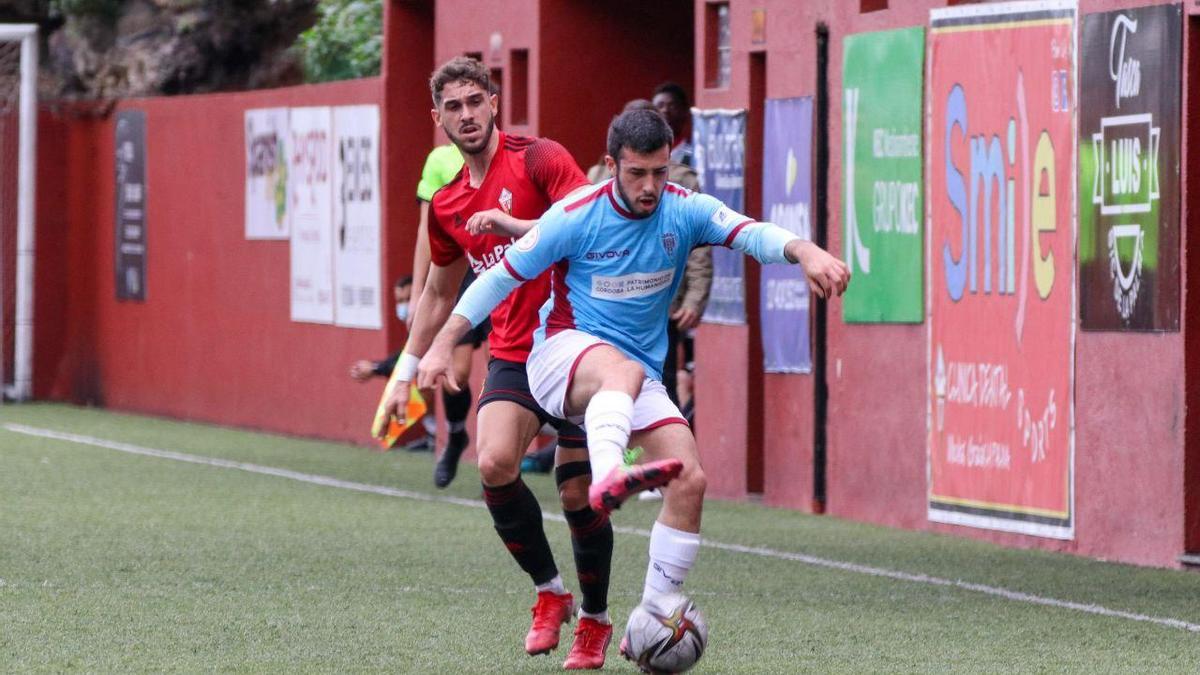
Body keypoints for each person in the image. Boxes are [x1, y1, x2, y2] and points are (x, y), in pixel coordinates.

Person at [415, 109, 849, 659]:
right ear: (610, 164)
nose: (649, 187)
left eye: (660, 173)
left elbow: (750, 232)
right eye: (637, 173)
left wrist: (805, 250)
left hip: (632, 374)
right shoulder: (577, 213)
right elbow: (497, 279)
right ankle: (608, 476)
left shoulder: (683, 211)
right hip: (560, 357)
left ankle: (652, 615)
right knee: (608, 379)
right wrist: (442, 342)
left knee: (689, 478)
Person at [379, 56, 616, 670]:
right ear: (439, 120)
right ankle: (550, 593)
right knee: (492, 463)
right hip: (513, 350)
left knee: (575, 496)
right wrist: (403, 375)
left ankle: (593, 620)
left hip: (578, 342)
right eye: (453, 107)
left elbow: (587, 225)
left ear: (494, 102)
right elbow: (437, 291)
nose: (467, 115)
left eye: (475, 101)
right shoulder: (448, 203)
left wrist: (512, 223)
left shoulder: (539, 158)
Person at [652, 82, 694, 167]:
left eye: (672, 106)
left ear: (684, 111)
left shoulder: (693, 150)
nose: (665, 110)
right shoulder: (643, 149)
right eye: (660, 106)